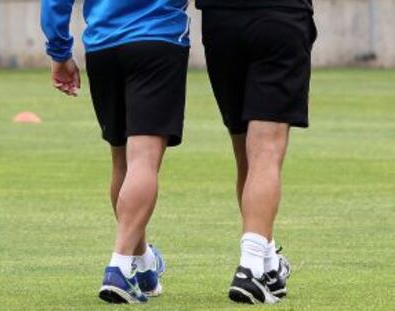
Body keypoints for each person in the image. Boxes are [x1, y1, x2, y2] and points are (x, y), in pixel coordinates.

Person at [41, 0, 190, 304]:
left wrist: (59, 51)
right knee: (144, 159)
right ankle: (119, 266)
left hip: (103, 45)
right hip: (157, 38)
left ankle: (144, 264)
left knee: (122, 161)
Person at [196, 0, 317, 304]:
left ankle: (267, 262)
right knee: (265, 152)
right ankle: (249, 267)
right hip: (280, 16)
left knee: (247, 156)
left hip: (220, 21)